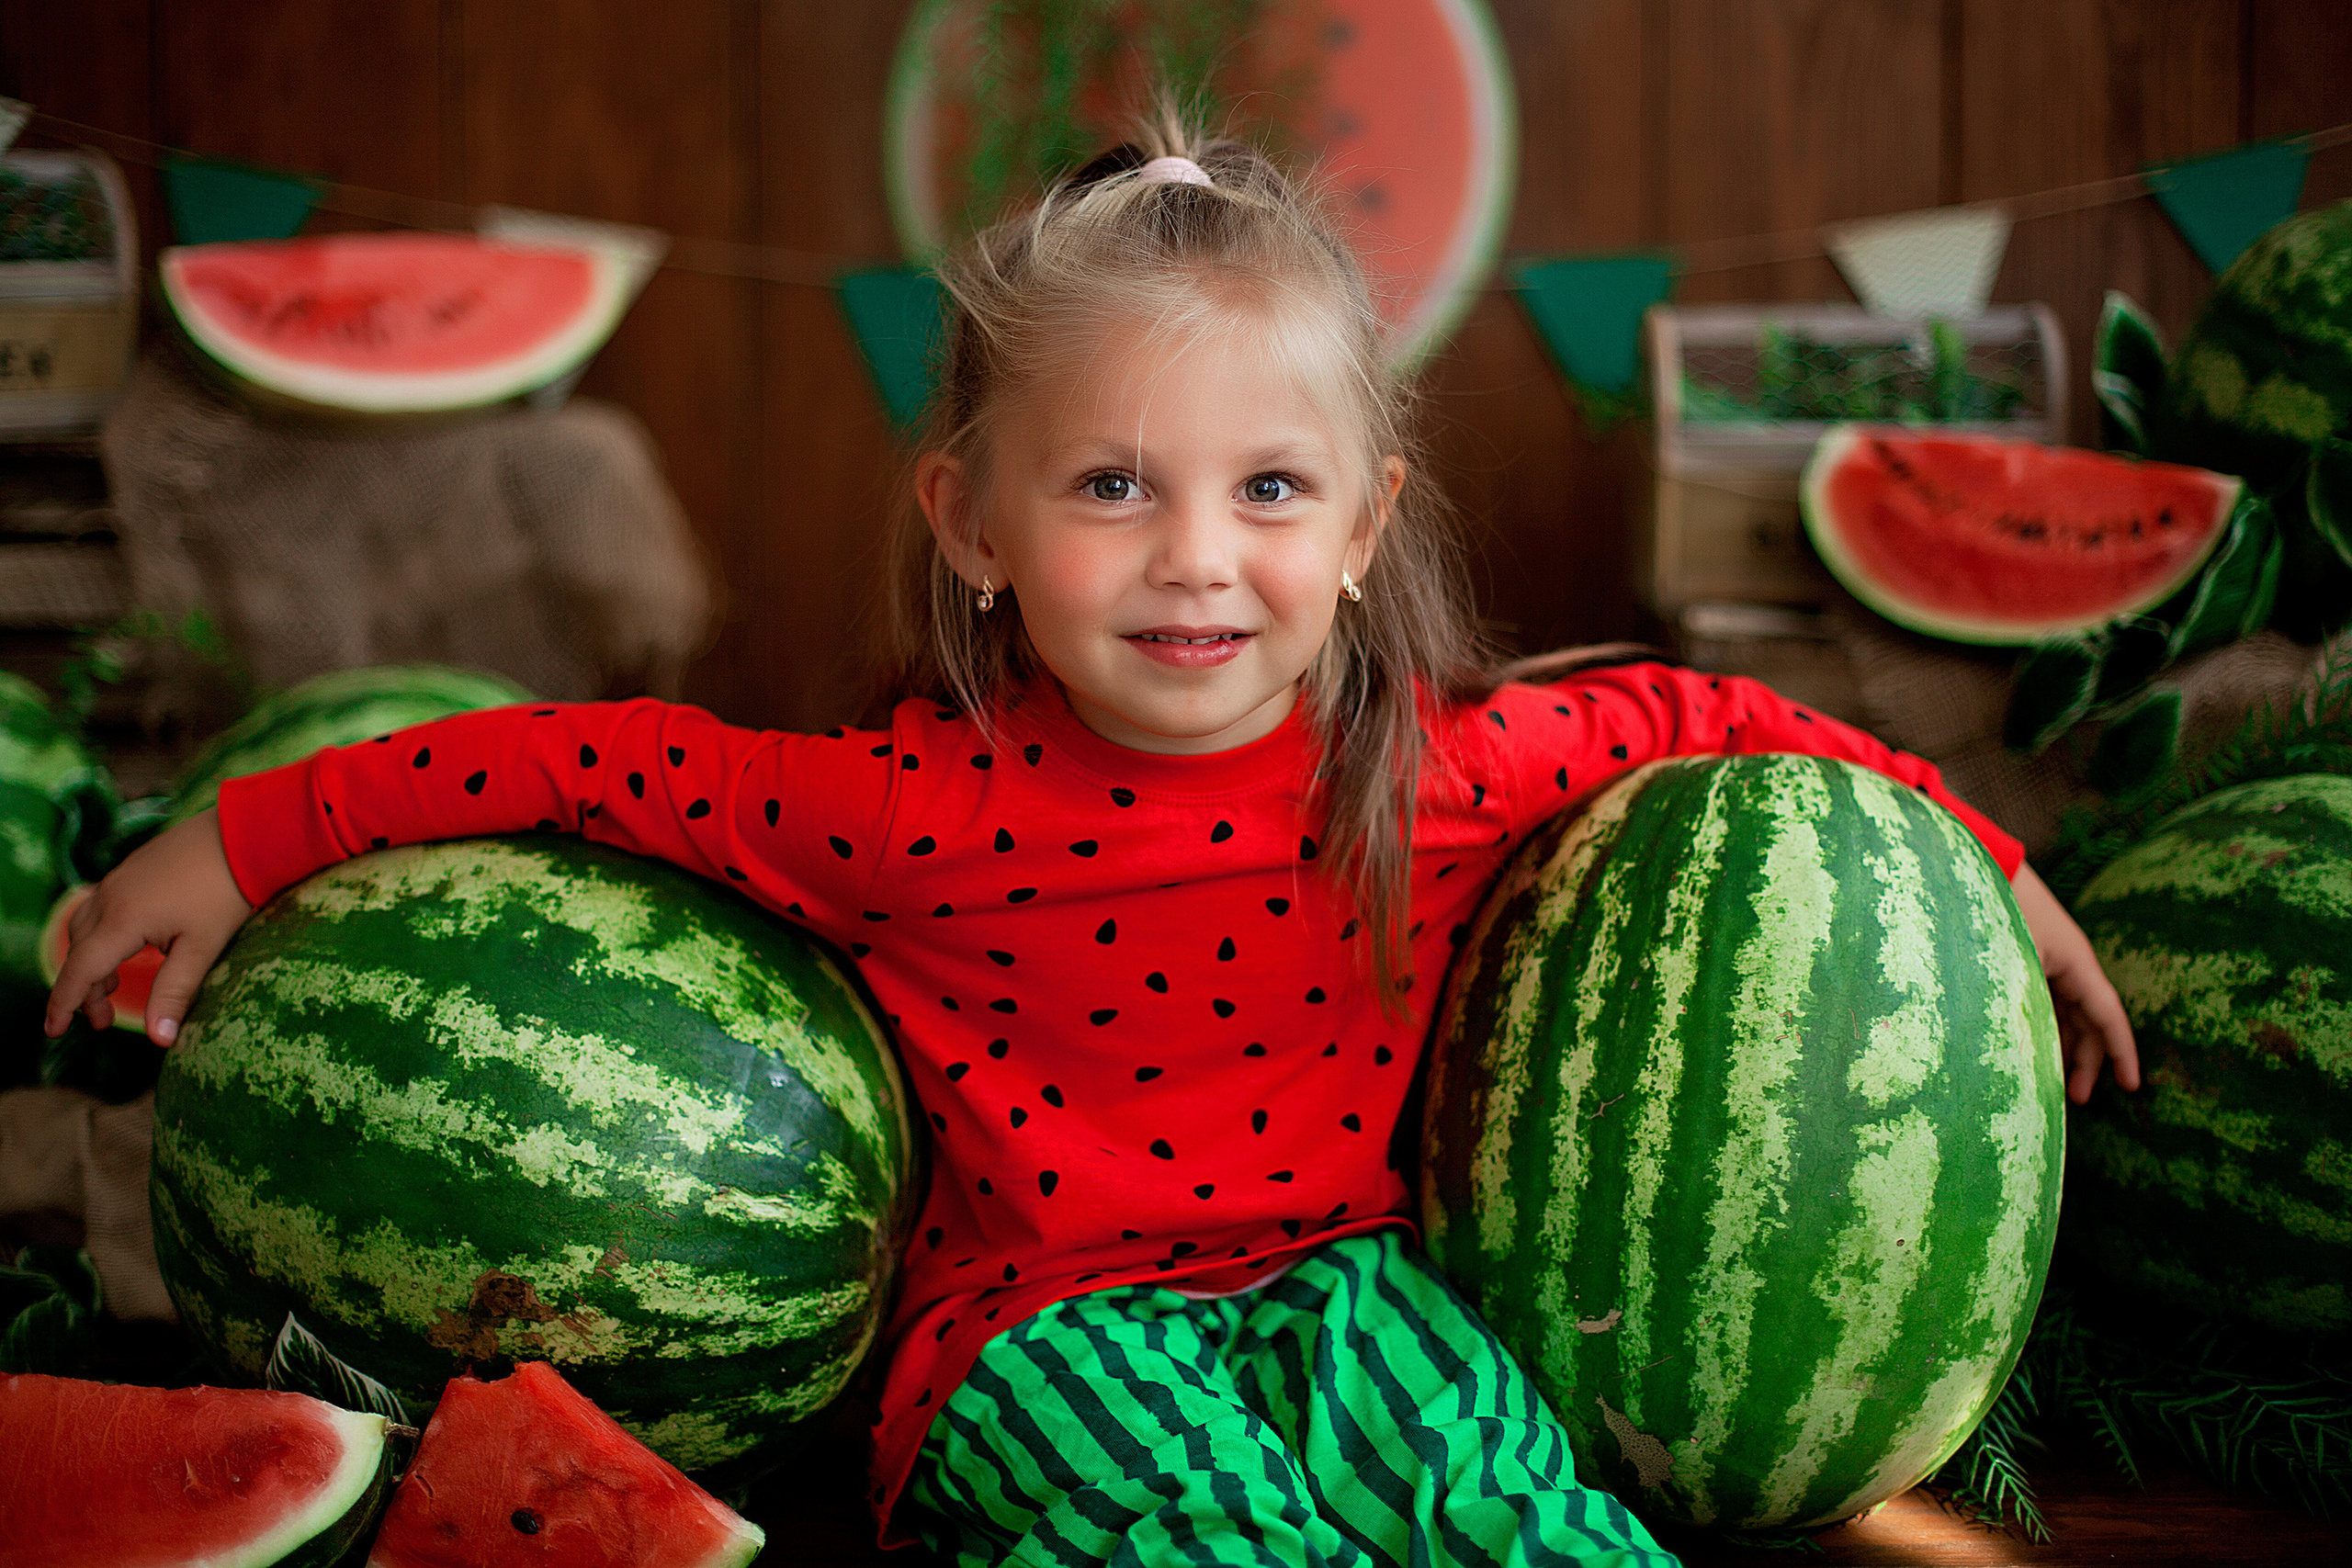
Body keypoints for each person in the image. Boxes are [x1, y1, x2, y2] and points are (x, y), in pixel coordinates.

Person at [47, 121, 2136, 1568]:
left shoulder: (1430, 760)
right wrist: (242, 838)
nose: (1196, 559)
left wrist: (2000, 876)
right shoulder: (896, 803)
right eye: (1114, 485)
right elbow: (581, 765)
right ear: (970, 523)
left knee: (1511, 1490)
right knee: (1189, 1519)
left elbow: (1724, 715)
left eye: (1267, 489)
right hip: (1029, 1335)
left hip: (1349, 1286)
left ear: (1364, 519)